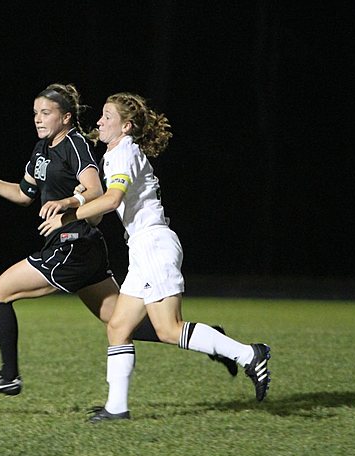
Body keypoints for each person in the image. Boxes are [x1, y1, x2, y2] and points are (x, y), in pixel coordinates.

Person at [0, 83, 237, 397]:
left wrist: (68, 204)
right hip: (82, 248)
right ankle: (212, 341)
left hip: (74, 244)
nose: (38, 118)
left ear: (66, 117)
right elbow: (22, 195)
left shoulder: (74, 144)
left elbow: (95, 191)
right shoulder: (42, 149)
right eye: (35, 113)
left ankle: (8, 376)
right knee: (120, 323)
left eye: (46, 112)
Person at [39, 92, 271, 422]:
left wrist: (67, 215)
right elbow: (105, 197)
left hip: (153, 247)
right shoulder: (118, 153)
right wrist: (70, 203)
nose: (100, 122)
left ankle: (249, 354)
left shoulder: (122, 153)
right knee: (118, 326)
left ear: (126, 125)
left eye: (107, 117)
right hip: (144, 247)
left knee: (168, 329)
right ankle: (116, 409)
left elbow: (110, 200)